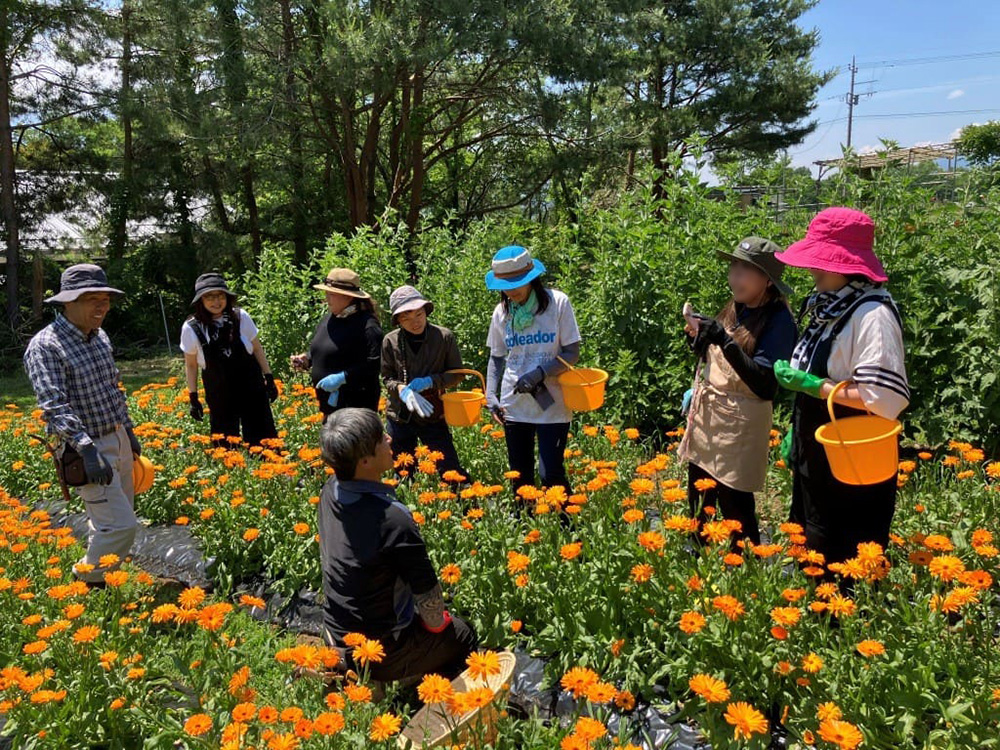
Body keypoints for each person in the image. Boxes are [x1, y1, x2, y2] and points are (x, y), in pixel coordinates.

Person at [773, 207, 909, 567]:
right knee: (809, 535)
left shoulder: (872, 315)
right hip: (817, 451)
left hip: (852, 458)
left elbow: (885, 399)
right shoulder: (828, 306)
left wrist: (815, 386)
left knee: (843, 551)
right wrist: (796, 432)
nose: (813, 269)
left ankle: (848, 621)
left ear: (847, 264)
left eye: (822, 261)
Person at [317, 408, 478, 682]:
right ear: (365, 461)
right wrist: (438, 624)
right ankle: (397, 683)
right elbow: (433, 610)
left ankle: (347, 668)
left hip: (334, 631)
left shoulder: (330, 491)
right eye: (381, 439)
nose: (390, 439)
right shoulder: (392, 519)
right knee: (463, 634)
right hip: (379, 650)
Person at [23, 264, 141, 583]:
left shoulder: (99, 337)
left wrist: (128, 431)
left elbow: (112, 387)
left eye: (105, 299)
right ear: (68, 302)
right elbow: (53, 404)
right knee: (120, 526)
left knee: (112, 519)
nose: (102, 306)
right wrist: (88, 449)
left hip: (115, 437)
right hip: (85, 447)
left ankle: (106, 581)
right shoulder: (46, 346)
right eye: (92, 299)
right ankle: (88, 581)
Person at [678, 238, 798, 547]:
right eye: (734, 267)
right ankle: (696, 564)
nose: (734, 277)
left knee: (735, 506)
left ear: (767, 280)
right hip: (709, 416)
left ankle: (745, 568)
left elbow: (764, 384)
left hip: (741, 424)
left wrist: (722, 339)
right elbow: (718, 356)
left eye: (745, 270)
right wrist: (699, 336)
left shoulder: (778, 320)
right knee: (698, 496)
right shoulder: (737, 307)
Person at [484, 245, 581, 495]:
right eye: (506, 284)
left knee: (551, 475)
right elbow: (496, 357)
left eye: (518, 282)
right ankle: (526, 530)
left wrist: (540, 372)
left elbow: (572, 353)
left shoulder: (557, 303)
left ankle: (566, 530)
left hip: (553, 404)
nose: (512, 290)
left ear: (532, 278)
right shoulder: (501, 312)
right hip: (514, 405)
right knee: (520, 477)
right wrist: (490, 394)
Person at [179, 273, 278, 447]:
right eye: (210, 297)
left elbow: (256, 348)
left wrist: (269, 377)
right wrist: (193, 397)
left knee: (264, 440)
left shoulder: (241, 317)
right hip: (219, 391)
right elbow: (191, 364)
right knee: (225, 445)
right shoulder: (191, 328)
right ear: (200, 300)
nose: (216, 302)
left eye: (220, 296)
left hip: (251, 387)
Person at [381, 285, 469, 480]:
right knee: (402, 473)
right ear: (398, 321)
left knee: (449, 469)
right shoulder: (390, 341)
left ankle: (466, 502)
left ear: (426, 311)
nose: (415, 322)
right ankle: (405, 508)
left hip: (433, 413)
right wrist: (401, 388)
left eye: (419, 314)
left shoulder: (443, 337)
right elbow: (387, 377)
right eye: (406, 318)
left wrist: (431, 381)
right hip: (400, 416)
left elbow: (458, 374)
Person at [291, 268, 383, 420]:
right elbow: (323, 350)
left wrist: (343, 377)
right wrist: (306, 359)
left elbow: (375, 363)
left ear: (348, 297)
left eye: (331, 294)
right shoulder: (329, 319)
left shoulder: (367, 325)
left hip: (356, 411)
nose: (327, 298)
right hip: (331, 411)